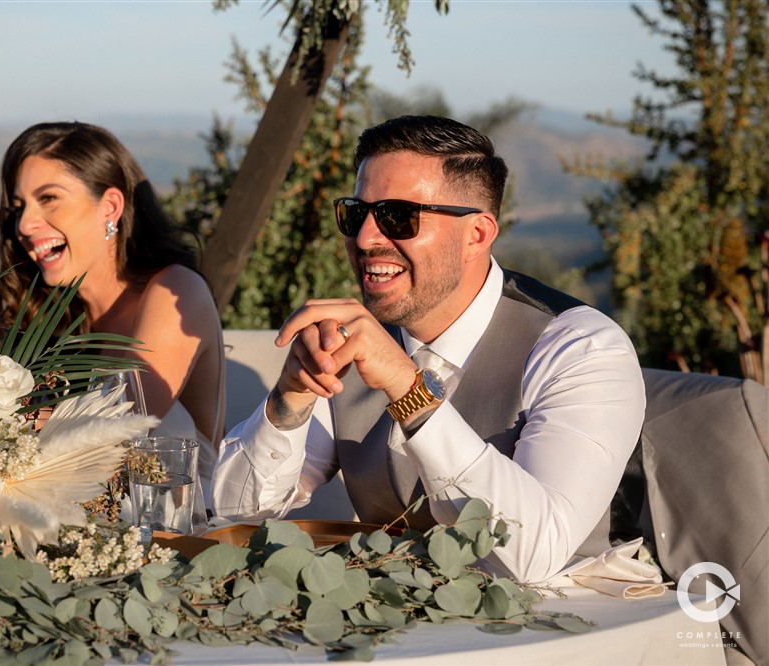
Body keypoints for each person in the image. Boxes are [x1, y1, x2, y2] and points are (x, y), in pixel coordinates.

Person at [211, 115, 645, 583]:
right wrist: (289, 400)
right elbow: (232, 512)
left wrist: (406, 387)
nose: (364, 239)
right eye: (357, 214)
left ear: (476, 235)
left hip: (566, 630)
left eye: (398, 216)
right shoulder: (356, 339)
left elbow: (534, 554)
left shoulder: (580, 349)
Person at [0, 121, 225, 505]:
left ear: (110, 206)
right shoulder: (52, 319)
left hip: (181, 535)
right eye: (19, 207)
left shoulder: (176, 290)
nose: (24, 225)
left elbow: (118, 428)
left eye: (48, 198)